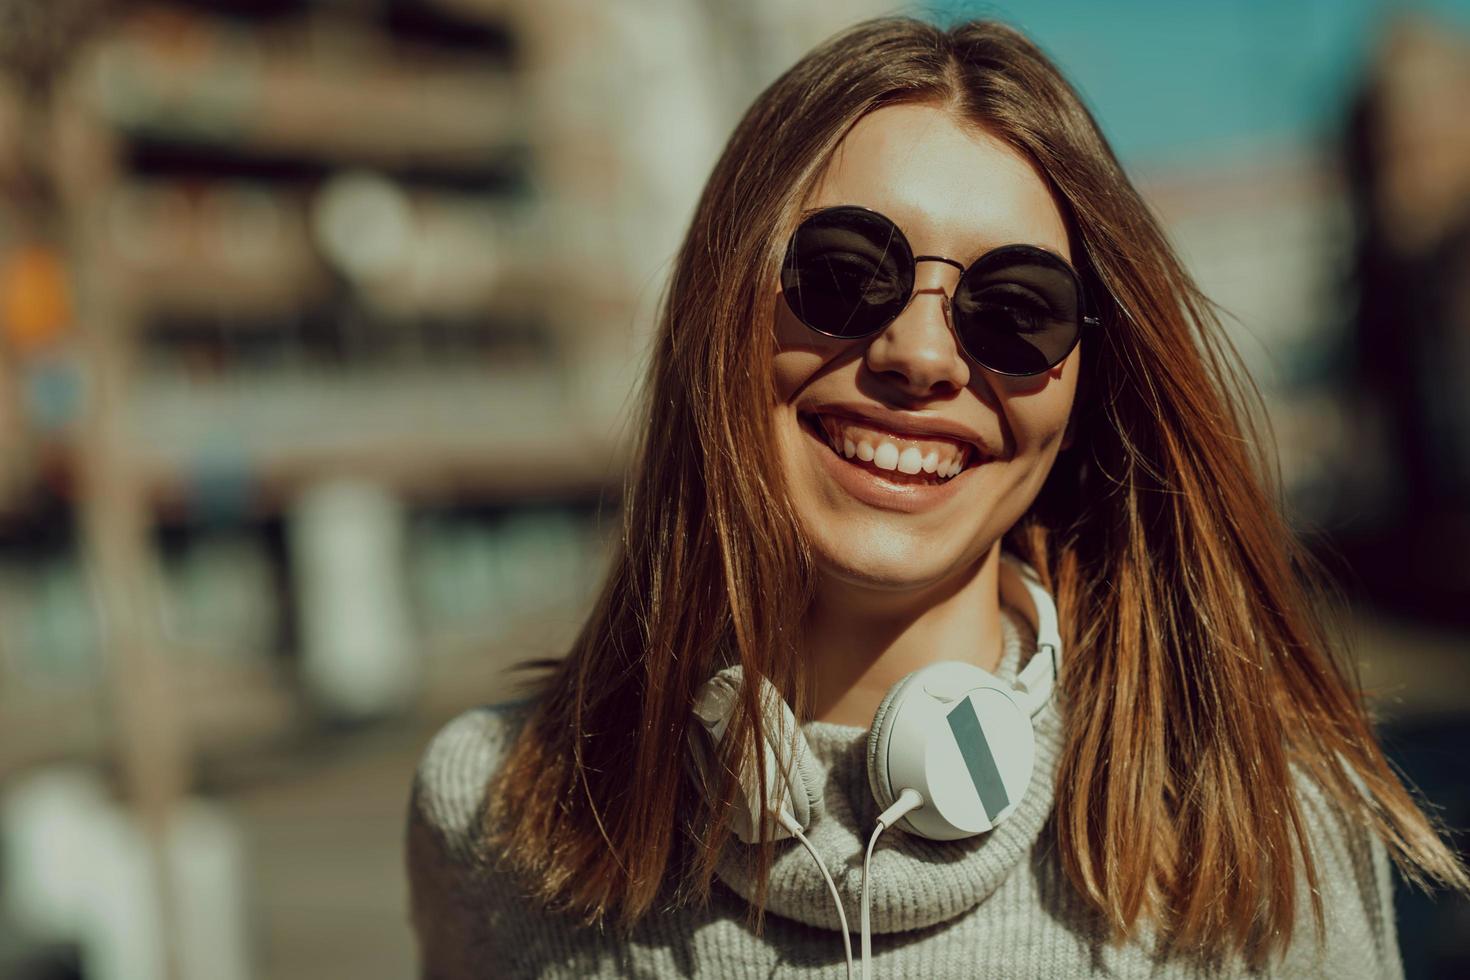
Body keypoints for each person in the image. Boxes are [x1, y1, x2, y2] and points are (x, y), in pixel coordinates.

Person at [405, 16, 1466, 979]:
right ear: (719, 310)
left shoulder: (1267, 827)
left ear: (1085, 385)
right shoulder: (494, 815)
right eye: (844, 272)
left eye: (1015, 308)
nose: (919, 353)